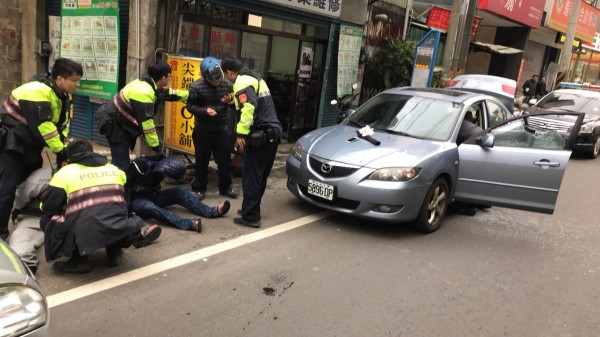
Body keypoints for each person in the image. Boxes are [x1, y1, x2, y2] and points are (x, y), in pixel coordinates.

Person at [40, 140, 162, 274]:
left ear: (70, 158)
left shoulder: (64, 174)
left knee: (46, 220)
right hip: (119, 224)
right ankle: (114, 252)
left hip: (87, 228)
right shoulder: (114, 169)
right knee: (110, 209)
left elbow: (48, 207)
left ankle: (78, 260)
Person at [0, 58, 83, 241]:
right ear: (60, 79)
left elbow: (61, 124)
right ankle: (1, 233)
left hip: (29, 144)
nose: (77, 84)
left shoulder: (63, 94)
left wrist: (63, 145)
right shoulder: (37, 91)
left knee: (29, 181)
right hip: (12, 143)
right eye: (74, 80)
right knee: (7, 186)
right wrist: (62, 151)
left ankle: (21, 213)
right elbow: (45, 128)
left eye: (79, 80)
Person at [95, 60, 189, 173]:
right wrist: (156, 149)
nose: (170, 79)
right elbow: (147, 126)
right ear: (163, 78)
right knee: (122, 166)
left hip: (119, 121)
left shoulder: (149, 83)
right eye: (170, 76)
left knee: (119, 162)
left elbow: (168, 93)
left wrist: (190, 95)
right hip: (114, 124)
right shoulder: (143, 92)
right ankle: (121, 189)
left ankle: (117, 183)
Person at [221, 56, 282, 228]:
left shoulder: (241, 82)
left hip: (261, 136)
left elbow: (249, 108)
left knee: (251, 176)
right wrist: (232, 102)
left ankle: (251, 217)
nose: (226, 79)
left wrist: (241, 134)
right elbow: (253, 103)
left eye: (226, 75)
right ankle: (251, 208)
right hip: (272, 135)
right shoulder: (255, 78)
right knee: (259, 176)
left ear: (230, 72)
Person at [129, 156, 231, 232]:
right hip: (134, 201)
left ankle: (211, 211)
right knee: (149, 206)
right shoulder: (139, 167)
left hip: (151, 196)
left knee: (180, 191)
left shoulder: (161, 162)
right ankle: (189, 224)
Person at [186, 56, 238, 200]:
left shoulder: (227, 84)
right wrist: (205, 111)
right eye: (213, 80)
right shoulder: (196, 87)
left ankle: (225, 187)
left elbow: (235, 106)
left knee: (224, 160)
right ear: (204, 76)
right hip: (203, 130)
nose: (216, 82)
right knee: (202, 161)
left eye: (218, 79)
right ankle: (199, 188)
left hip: (222, 129)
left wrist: (231, 103)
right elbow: (190, 106)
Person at [8, 167, 52, 274]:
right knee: (21, 235)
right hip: (40, 217)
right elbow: (20, 197)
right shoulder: (43, 177)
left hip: (72, 216)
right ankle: (25, 258)